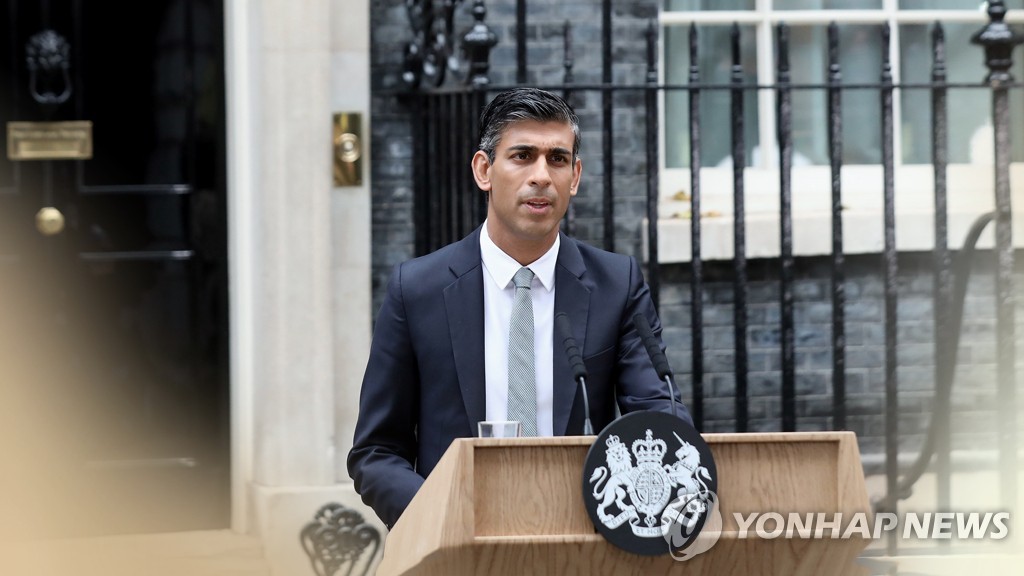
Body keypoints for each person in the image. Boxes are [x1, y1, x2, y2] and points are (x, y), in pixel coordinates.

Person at [348, 87, 692, 529]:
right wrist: (442, 516)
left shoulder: (616, 285)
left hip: (580, 543)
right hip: (457, 545)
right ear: (484, 170)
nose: (541, 176)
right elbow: (376, 452)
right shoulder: (417, 290)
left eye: (558, 159)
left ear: (576, 176)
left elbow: (658, 419)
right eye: (523, 156)